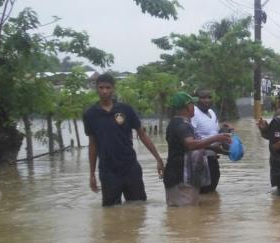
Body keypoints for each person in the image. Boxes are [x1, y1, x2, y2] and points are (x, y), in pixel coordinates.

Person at [83, 73, 164, 207]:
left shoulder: (126, 109)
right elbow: (92, 144)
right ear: (96, 88)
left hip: (130, 167)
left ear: (113, 88)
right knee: (111, 212)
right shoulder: (90, 114)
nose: (104, 91)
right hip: (108, 171)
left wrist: (158, 159)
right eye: (101, 87)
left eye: (108, 88)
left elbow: (142, 135)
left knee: (138, 207)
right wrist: (92, 174)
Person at [163, 92, 232, 207]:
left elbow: (188, 146)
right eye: (192, 104)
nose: (194, 107)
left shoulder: (179, 123)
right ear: (187, 107)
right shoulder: (182, 125)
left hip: (182, 176)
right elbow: (190, 145)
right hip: (181, 178)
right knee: (185, 215)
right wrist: (216, 138)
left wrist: (214, 148)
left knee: (186, 215)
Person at [189, 89, 231, 193]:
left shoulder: (212, 112)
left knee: (212, 191)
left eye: (209, 97)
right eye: (203, 98)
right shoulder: (193, 114)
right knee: (202, 192)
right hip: (200, 160)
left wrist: (224, 130)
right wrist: (211, 147)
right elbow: (191, 140)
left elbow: (214, 134)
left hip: (213, 158)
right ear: (196, 100)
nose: (207, 100)